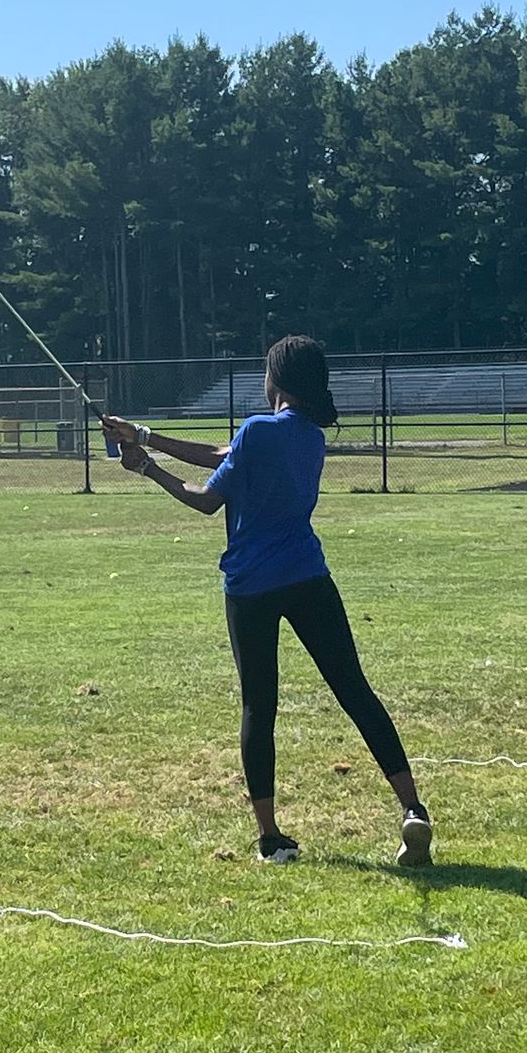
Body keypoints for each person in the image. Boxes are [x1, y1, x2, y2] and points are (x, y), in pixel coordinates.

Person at [100, 335, 433, 868]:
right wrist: (144, 436)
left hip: (251, 587)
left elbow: (207, 498)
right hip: (308, 578)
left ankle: (272, 838)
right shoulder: (309, 437)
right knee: (355, 691)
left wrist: (146, 467)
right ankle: (412, 808)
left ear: (274, 378)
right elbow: (225, 454)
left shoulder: (256, 431)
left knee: (260, 705)